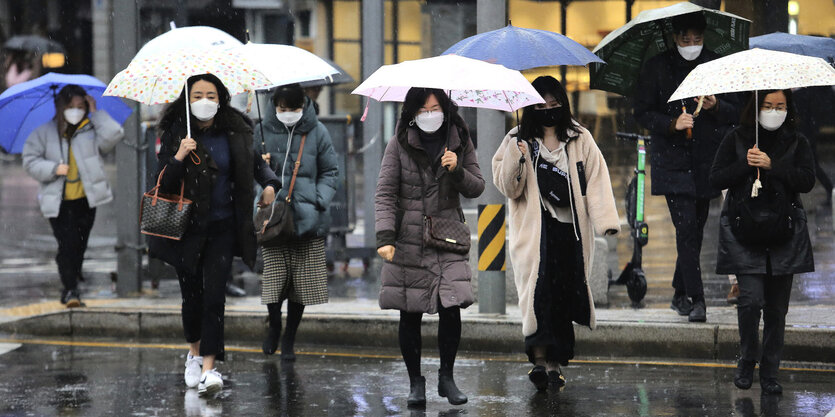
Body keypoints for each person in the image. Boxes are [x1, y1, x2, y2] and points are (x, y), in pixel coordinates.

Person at [150, 73, 280, 396]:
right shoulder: (176, 132)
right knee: (191, 298)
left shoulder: (235, 131)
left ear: (220, 98)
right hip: (185, 230)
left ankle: (209, 368)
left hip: (222, 227)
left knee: (214, 298)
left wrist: (269, 184)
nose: (204, 101)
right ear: (187, 99)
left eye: (210, 94)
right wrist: (180, 155)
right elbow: (162, 183)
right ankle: (193, 352)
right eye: (196, 95)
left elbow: (254, 166)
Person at [493, 76, 620, 391]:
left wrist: (606, 221)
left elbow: (597, 179)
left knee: (563, 296)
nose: (547, 111)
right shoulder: (517, 138)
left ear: (562, 105)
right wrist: (516, 155)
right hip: (535, 234)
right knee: (539, 297)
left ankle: (555, 365)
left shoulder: (580, 138)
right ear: (530, 107)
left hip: (570, 233)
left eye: (553, 105)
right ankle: (538, 361)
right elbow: (508, 186)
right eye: (540, 105)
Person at [375, 87, 484, 407]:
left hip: (447, 236)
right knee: (409, 312)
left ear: (446, 109)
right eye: (423, 110)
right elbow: (384, 193)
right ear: (412, 113)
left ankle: (447, 377)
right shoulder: (398, 144)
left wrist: (457, 169)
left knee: (452, 306)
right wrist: (385, 238)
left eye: (435, 108)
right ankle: (415, 383)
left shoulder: (460, 141)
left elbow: (477, 187)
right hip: (408, 239)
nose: (429, 115)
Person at [633, 12, 741, 322]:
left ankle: (680, 290)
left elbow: (736, 111)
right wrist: (671, 123)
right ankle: (697, 299)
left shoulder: (716, 65)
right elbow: (642, 111)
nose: (691, 45)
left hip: (708, 161)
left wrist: (716, 106)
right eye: (685, 40)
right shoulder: (657, 67)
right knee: (686, 231)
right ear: (674, 38)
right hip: (673, 164)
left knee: (696, 229)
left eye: (697, 40)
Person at [710, 89, 815, 395]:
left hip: (784, 234)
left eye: (780, 105)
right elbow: (716, 178)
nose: (774, 110)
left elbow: (807, 180)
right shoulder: (736, 138)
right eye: (768, 105)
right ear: (756, 108)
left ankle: (770, 371)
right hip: (746, 233)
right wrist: (746, 163)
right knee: (750, 301)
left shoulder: (798, 140)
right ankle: (747, 359)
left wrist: (773, 166)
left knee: (776, 309)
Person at [255, 83, 339, 360]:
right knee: (274, 279)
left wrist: (318, 200)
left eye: (294, 108)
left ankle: (289, 336)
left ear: (303, 106)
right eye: (283, 108)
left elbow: (330, 171)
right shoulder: (262, 132)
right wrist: (263, 171)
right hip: (273, 217)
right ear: (274, 106)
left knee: (301, 284)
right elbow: (246, 170)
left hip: (307, 218)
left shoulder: (317, 131)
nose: (288, 113)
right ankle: (274, 324)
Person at [22, 84, 124, 307]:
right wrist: (52, 168)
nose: (76, 111)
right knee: (67, 245)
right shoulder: (45, 132)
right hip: (59, 202)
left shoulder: (89, 129)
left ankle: (72, 277)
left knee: (79, 245)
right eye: (71, 106)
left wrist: (96, 113)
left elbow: (114, 135)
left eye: (81, 106)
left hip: (86, 200)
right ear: (61, 107)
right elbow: (30, 160)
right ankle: (70, 289)